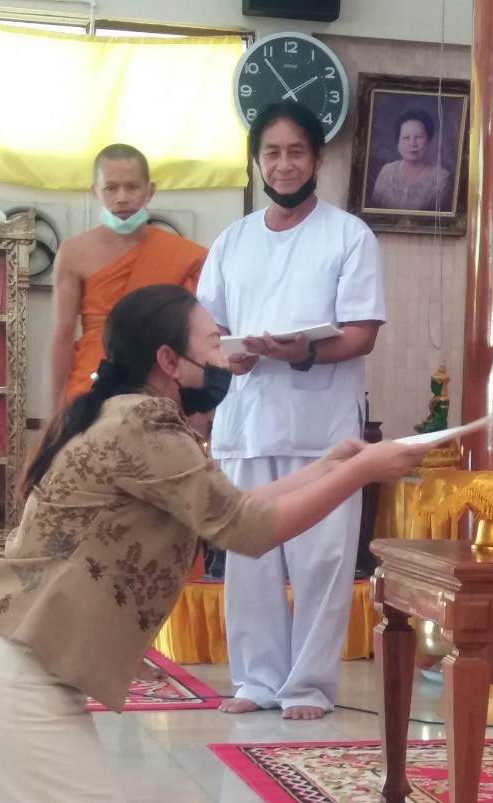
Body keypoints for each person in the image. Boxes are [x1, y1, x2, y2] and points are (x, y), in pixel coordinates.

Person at [0, 285, 429, 803]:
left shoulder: (127, 415)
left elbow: (230, 511)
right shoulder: (146, 425)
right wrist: (359, 473)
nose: (226, 357)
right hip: (10, 664)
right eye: (214, 344)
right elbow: (251, 530)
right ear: (169, 360)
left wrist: (329, 466)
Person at [198, 102, 386, 721]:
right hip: (247, 422)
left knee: (322, 562)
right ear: (258, 162)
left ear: (318, 158)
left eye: (296, 151)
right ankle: (256, 681)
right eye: (272, 153)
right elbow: (210, 330)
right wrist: (228, 356)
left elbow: (361, 333)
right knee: (250, 558)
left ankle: (307, 686)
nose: (284, 164)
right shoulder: (232, 241)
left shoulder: (348, 235)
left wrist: (303, 351)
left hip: (322, 427)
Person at [50, 144, 207, 408]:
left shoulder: (187, 257)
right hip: (91, 380)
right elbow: (62, 334)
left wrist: (199, 409)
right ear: (95, 192)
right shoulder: (74, 252)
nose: (122, 198)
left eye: (132, 187)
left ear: (149, 191)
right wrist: (54, 408)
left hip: (158, 378)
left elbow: (196, 338)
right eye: (110, 188)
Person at [368, 107, 453, 212]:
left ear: (428, 141)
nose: (412, 144)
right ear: (398, 144)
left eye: (419, 137)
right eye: (406, 138)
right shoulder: (387, 172)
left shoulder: (442, 179)